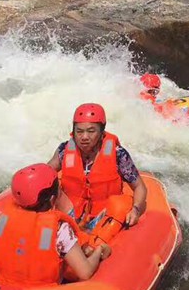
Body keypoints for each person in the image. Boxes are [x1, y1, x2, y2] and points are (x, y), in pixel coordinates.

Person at [0, 163, 109, 285]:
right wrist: (98, 252)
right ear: (53, 200)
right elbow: (85, 272)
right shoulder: (59, 230)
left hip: (4, 288)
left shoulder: (1, 220)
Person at [48, 103, 148, 248]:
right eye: (79, 131)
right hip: (70, 212)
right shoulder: (64, 150)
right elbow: (47, 172)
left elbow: (139, 186)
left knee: (123, 204)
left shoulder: (118, 154)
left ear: (102, 132)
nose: (84, 137)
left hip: (103, 214)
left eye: (91, 131)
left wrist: (136, 209)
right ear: (73, 131)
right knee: (52, 188)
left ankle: (93, 247)